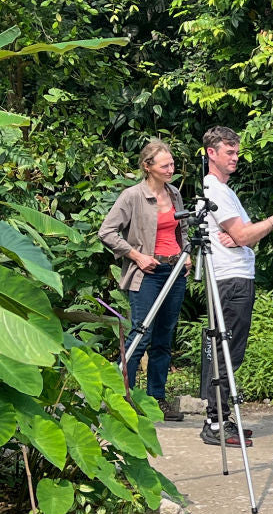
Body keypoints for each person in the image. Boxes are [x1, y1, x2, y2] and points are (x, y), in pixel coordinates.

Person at [198, 126, 273, 447]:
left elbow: (242, 236)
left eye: (236, 151)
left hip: (237, 276)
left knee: (229, 349)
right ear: (211, 153)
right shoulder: (214, 190)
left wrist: (243, 236)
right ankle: (215, 423)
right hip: (229, 279)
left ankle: (219, 418)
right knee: (224, 350)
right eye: (228, 152)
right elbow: (244, 236)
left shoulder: (225, 191)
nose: (235, 157)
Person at [99, 139, 190, 422]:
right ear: (147, 167)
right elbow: (107, 232)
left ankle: (156, 400)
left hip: (174, 272)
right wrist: (137, 256)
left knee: (164, 338)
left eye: (172, 164)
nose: (171, 169)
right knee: (141, 334)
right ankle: (124, 399)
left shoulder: (174, 193)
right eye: (165, 165)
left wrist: (186, 254)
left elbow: (183, 227)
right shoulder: (132, 196)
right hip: (147, 274)